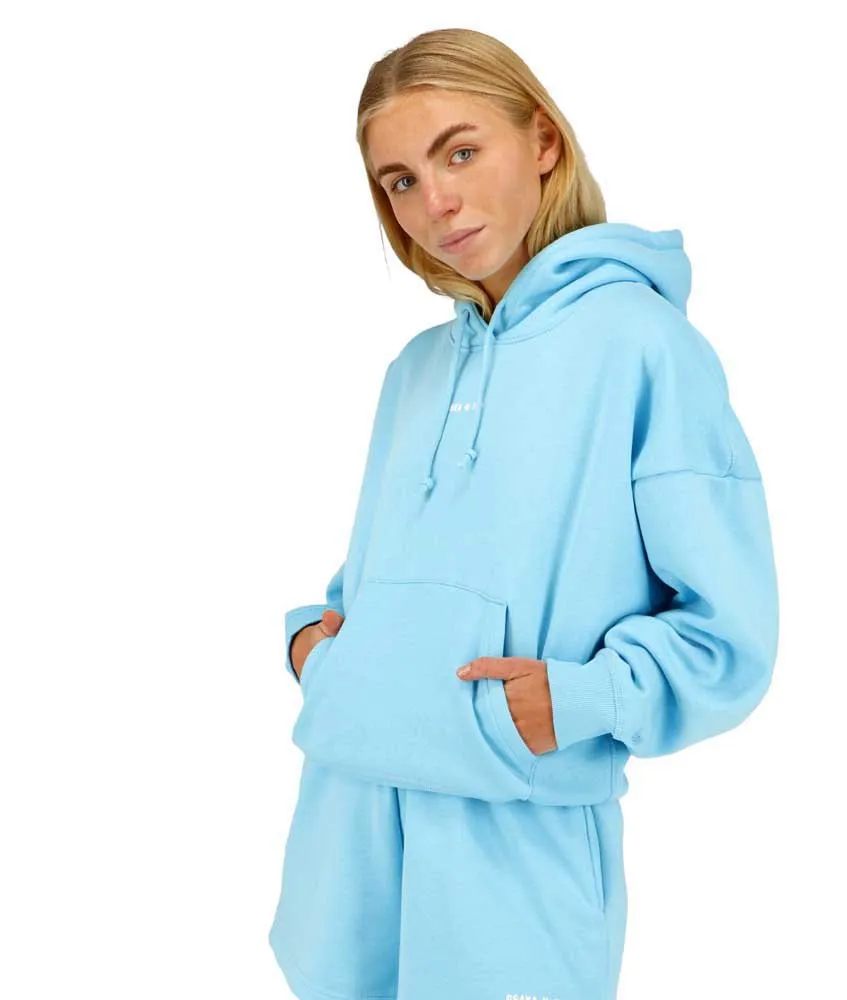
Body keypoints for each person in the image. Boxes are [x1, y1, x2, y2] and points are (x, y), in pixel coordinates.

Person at [269, 27, 780, 1000]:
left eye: (460, 152)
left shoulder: (643, 347)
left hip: (516, 860)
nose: (435, 201)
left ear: (543, 140)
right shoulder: (416, 370)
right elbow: (373, 585)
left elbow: (730, 632)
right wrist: (315, 647)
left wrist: (582, 700)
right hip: (346, 846)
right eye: (400, 180)